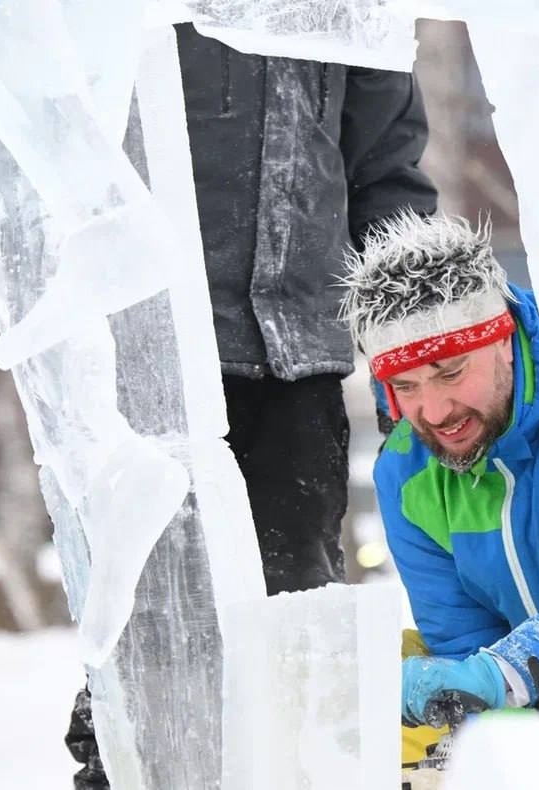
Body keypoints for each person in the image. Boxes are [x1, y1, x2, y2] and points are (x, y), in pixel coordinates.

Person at [67, 24, 438, 789]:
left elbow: (386, 174)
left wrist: (410, 343)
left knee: (291, 618)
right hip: (153, 358)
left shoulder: (350, 11)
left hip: (298, 363)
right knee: (154, 625)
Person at [339, 212, 539, 755]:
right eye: (406, 385)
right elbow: (463, 643)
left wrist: (506, 675)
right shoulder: (409, 476)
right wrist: (478, 703)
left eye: (450, 372)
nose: (435, 411)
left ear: (503, 339)